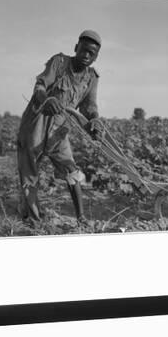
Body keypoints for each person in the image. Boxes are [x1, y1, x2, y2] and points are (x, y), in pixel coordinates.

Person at [16, 30, 105, 225]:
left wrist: (95, 120)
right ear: (76, 48)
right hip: (37, 123)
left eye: (92, 53)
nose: (86, 56)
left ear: (96, 57)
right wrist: (46, 99)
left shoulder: (92, 78)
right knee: (30, 172)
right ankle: (32, 220)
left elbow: (89, 106)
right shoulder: (59, 62)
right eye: (83, 50)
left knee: (71, 170)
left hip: (60, 128)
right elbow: (40, 84)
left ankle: (81, 218)